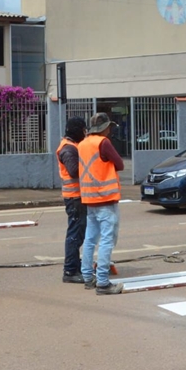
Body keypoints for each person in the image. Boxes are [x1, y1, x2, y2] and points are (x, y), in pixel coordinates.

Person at [78, 112, 124, 295]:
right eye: (109, 127)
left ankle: (88, 277)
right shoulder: (103, 143)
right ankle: (103, 282)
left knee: (90, 239)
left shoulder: (82, 144)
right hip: (105, 198)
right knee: (106, 240)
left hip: (89, 199)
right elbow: (119, 164)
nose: (110, 130)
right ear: (105, 128)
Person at [56, 117, 87, 283]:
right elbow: (74, 171)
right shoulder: (68, 149)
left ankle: (75, 265)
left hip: (77, 197)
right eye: (83, 130)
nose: (85, 133)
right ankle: (70, 271)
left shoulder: (72, 146)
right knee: (75, 234)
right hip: (75, 197)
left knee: (78, 233)